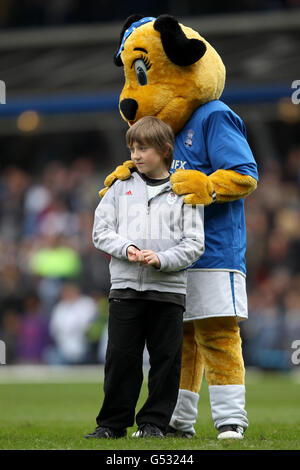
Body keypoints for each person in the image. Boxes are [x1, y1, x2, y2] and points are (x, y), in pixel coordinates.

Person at [85, 116, 204, 439]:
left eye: (143, 148)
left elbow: (195, 244)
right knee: (121, 358)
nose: (135, 155)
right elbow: (100, 232)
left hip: (168, 290)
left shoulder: (184, 191)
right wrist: (129, 248)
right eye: (132, 148)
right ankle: (111, 424)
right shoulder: (118, 188)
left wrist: (162, 259)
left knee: (166, 361)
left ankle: (154, 423)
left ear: (165, 150)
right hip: (124, 288)